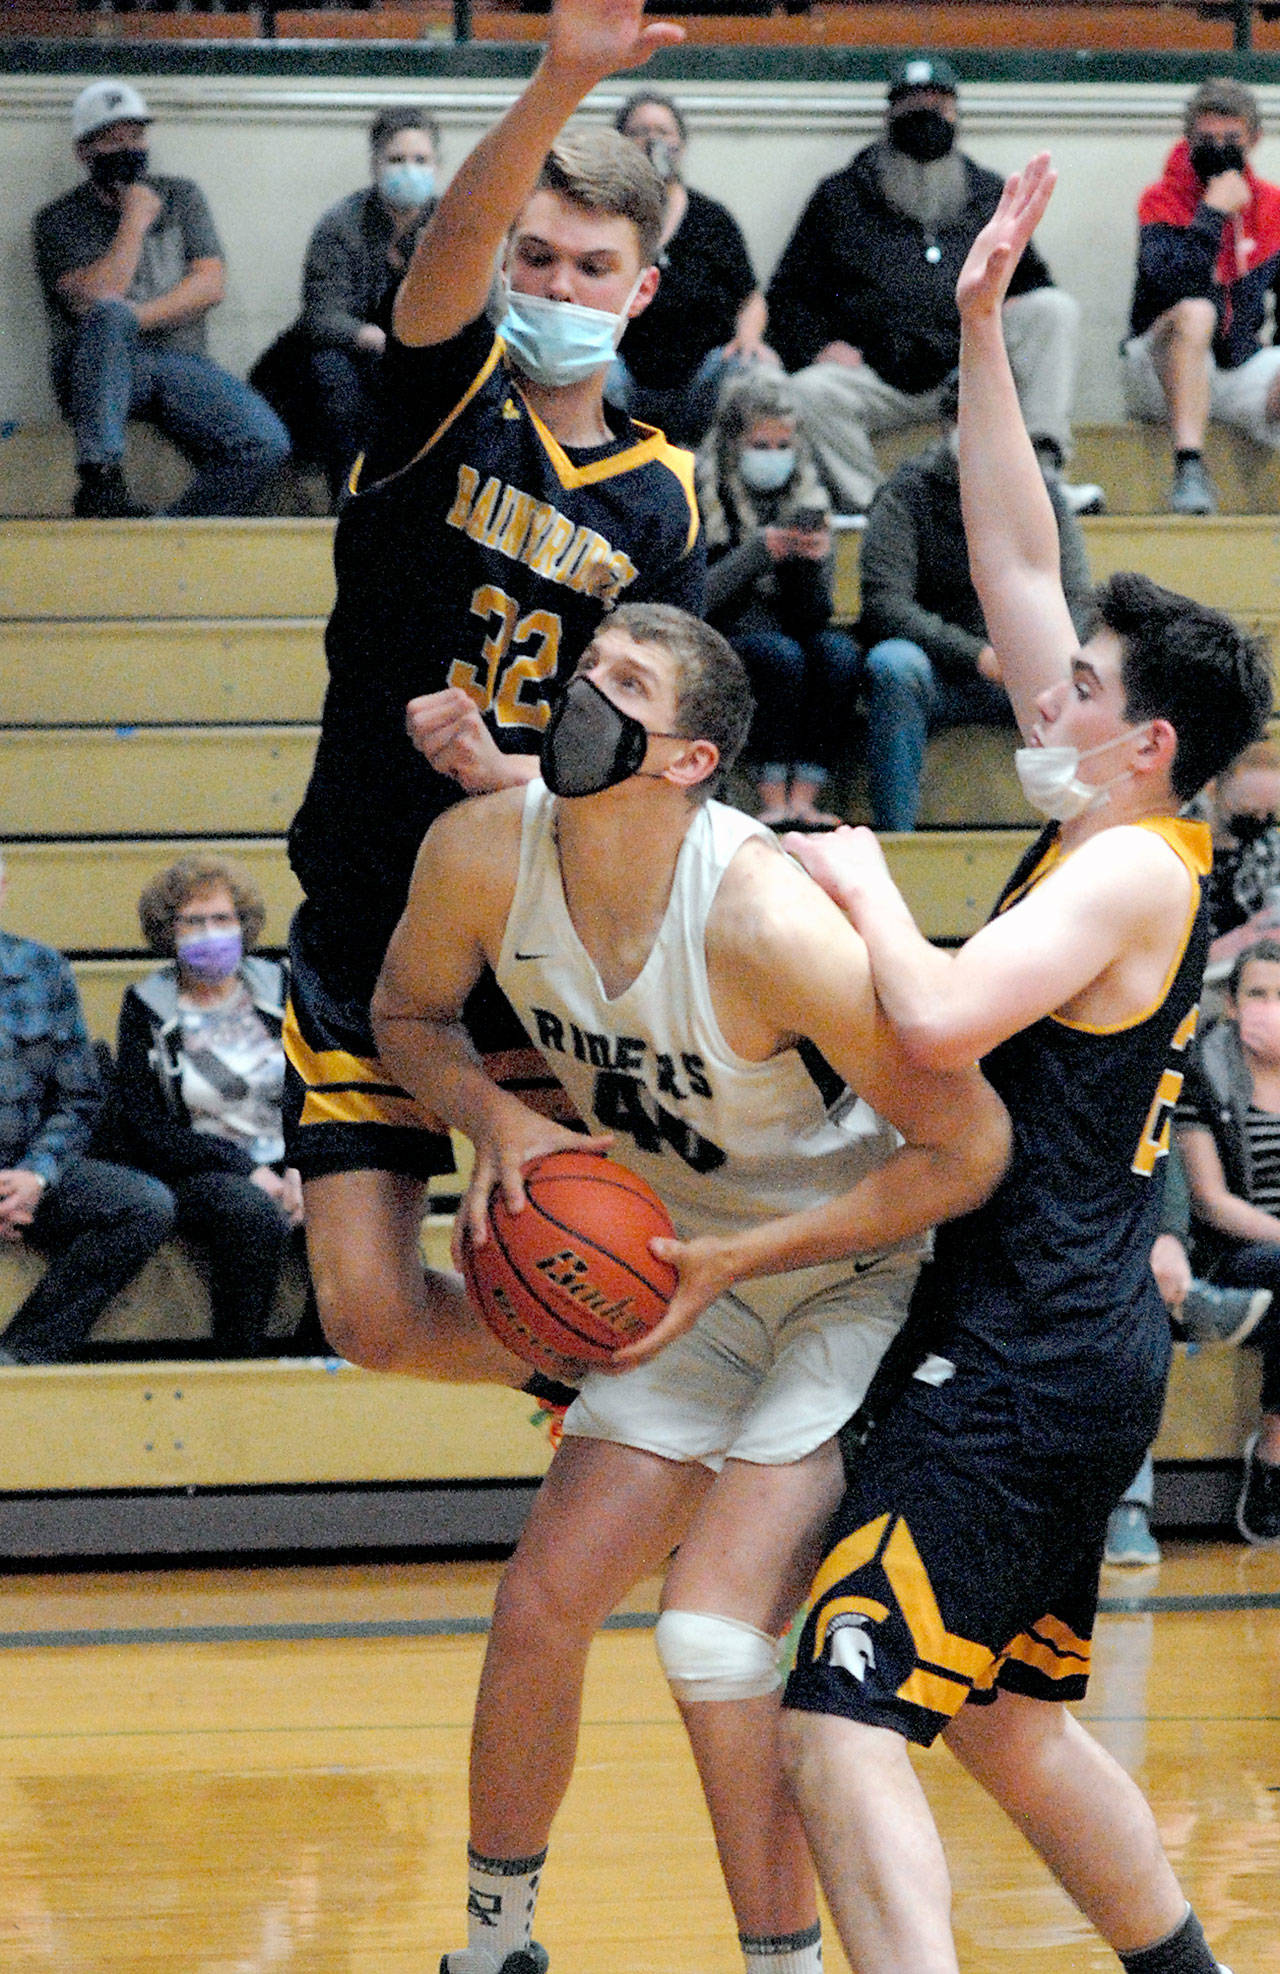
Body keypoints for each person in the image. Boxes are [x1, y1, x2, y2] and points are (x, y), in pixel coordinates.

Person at [779, 154, 1269, 1974]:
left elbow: (928, 1015)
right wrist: (981, 331)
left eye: (1076, 685)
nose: (1034, 680)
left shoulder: (1131, 868)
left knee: (842, 1708)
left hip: (1025, 1349)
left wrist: (851, 875)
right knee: (1003, 1718)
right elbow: (1008, 549)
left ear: (1143, 740)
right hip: (1064, 1335)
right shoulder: (1121, 810)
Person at [369, 600, 1010, 1974]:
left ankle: (779, 1962)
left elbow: (970, 1146)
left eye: (625, 683)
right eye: (587, 664)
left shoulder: (769, 921)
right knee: (542, 1600)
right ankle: (494, 1944)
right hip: (677, 1263)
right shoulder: (482, 851)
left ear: (688, 760)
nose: (581, 690)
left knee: (715, 1638)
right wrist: (498, 1120)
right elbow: (405, 1017)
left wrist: (742, 1258)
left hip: (843, 1266)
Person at [284, 0, 705, 1393]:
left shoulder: (667, 495)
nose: (559, 284)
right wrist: (562, 77)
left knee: (582, 1249)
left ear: (641, 292)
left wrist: (517, 776)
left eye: (594, 266)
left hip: (526, 935)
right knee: (368, 1318)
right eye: (538, 255)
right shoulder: (447, 402)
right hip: (361, 908)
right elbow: (449, 248)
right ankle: (586, 1378)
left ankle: (646, 1392)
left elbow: (655, 755)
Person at [766, 56, 1098, 518]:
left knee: (1054, 310)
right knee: (808, 391)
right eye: (912, 105)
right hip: (878, 374)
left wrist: (999, 311)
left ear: (956, 114)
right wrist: (818, 347)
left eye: (937, 105)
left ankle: (1042, 477)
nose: (926, 116)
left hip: (968, 370)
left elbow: (1032, 281)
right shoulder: (840, 196)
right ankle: (873, 507)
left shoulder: (987, 193)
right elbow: (787, 296)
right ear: (889, 116)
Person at [32, 80, 292, 520]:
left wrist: (129, 318)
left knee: (266, 444)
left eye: (136, 136)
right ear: (83, 151)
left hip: (178, 363)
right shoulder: (58, 220)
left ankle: (167, 528)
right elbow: (94, 299)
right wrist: (133, 221)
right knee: (108, 315)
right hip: (95, 372)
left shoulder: (182, 197)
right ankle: (100, 478)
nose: (128, 148)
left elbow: (210, 285)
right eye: (113, 140)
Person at [858, 373, 1093, 832]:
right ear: (948, 424)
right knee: (893, 664)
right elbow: (885, 602)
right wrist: (977, 655)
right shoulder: (908, 491)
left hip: (1032, 678)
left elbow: (1077, 598)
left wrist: (1041, 658)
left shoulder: (1043, 495)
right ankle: (896, 837)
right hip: (938, 670)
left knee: (1096, 676)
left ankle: (1078, 838)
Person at [107, 854, 321, 1358]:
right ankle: (237, 1359)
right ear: (169, 930)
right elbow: (145, 1126)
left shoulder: (282, 988)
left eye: (222, 919)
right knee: (250, 1214)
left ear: (243, 925)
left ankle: (321, 1353)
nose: (210, 933)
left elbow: (315, 1085)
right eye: (194, 921)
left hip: (289, 1158)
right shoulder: (147, 1004)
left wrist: (301, 1164)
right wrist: (247, 1169)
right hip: (202, 1169)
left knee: (345, 1208)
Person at [0, 850, 174, 1365]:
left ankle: (24, 1354)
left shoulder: (42, 969)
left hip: (30, 1169)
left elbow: (79, 1097)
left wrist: (35, 1175)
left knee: (144, 1204)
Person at [698, 371, 861, 826]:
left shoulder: (807, 495)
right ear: (734, 443)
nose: (774, 458)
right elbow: (696, 599)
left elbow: (813, 617)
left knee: (838, 654)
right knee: (780, 657)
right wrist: (757, 553)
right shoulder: (702, 491)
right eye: (761, 446)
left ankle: (804, 798)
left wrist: (808, 564)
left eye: (782, 447)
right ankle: (772, 800)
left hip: (786, 632)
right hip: (723, 634)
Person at [1124, 77, 1280, 517]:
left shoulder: (1272, 205)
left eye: (1232, 139)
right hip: (1157, 367)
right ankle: (1188, 465)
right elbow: (1168, 287)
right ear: (1188, 139)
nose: (1219, 148)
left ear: (1254, 139)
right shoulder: (1160, 200)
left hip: (1234, 371)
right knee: (1196, 313)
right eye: (1206, 139)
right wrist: (1211, 214)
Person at [1176, 936, 1280, 1545]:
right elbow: (1210, 1201)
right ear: (1234, 1004)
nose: (1270, 1007)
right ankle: (1272, 1452)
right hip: (1234, 1257)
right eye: (1257, 994)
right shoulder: (1205, 1072)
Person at [608, 90, 776, 444]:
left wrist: (748, 338)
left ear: (681, 145)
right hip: (621, 376)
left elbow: (750, 299)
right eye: (640, 131)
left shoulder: (711, 220)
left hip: (701, 381)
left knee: (759, 371)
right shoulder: (602, 215)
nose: (652, 140)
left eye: (663, 131)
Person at [298, 105, 441, 504]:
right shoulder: (340, 224)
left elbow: (483, 307)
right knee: (331, 376)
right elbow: (320, 315)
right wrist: (372, 337)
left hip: (430, 348)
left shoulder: (453, 225)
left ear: (437, 167)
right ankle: (349, 501)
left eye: (420, 160)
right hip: (355, 351)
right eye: (396, 160)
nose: (408, 169)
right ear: (375, 164)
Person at [1200, 739, 1280, 962]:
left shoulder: (1269, 845)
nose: (1260, 820)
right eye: (1249, 810)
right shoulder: (1174, 844)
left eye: (1270, 812)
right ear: (1213, 789)